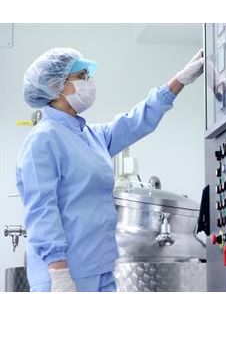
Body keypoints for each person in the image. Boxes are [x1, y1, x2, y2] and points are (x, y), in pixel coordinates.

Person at [16, 47, 204, 292]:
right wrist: (58, 272)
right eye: (81, 76)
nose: (88, 82)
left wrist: (179, 81)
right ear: (56, 85)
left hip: (101, 267)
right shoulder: (43, 139)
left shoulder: (91, 136)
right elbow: (42, 210)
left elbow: (136, 121)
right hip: (65, 273)